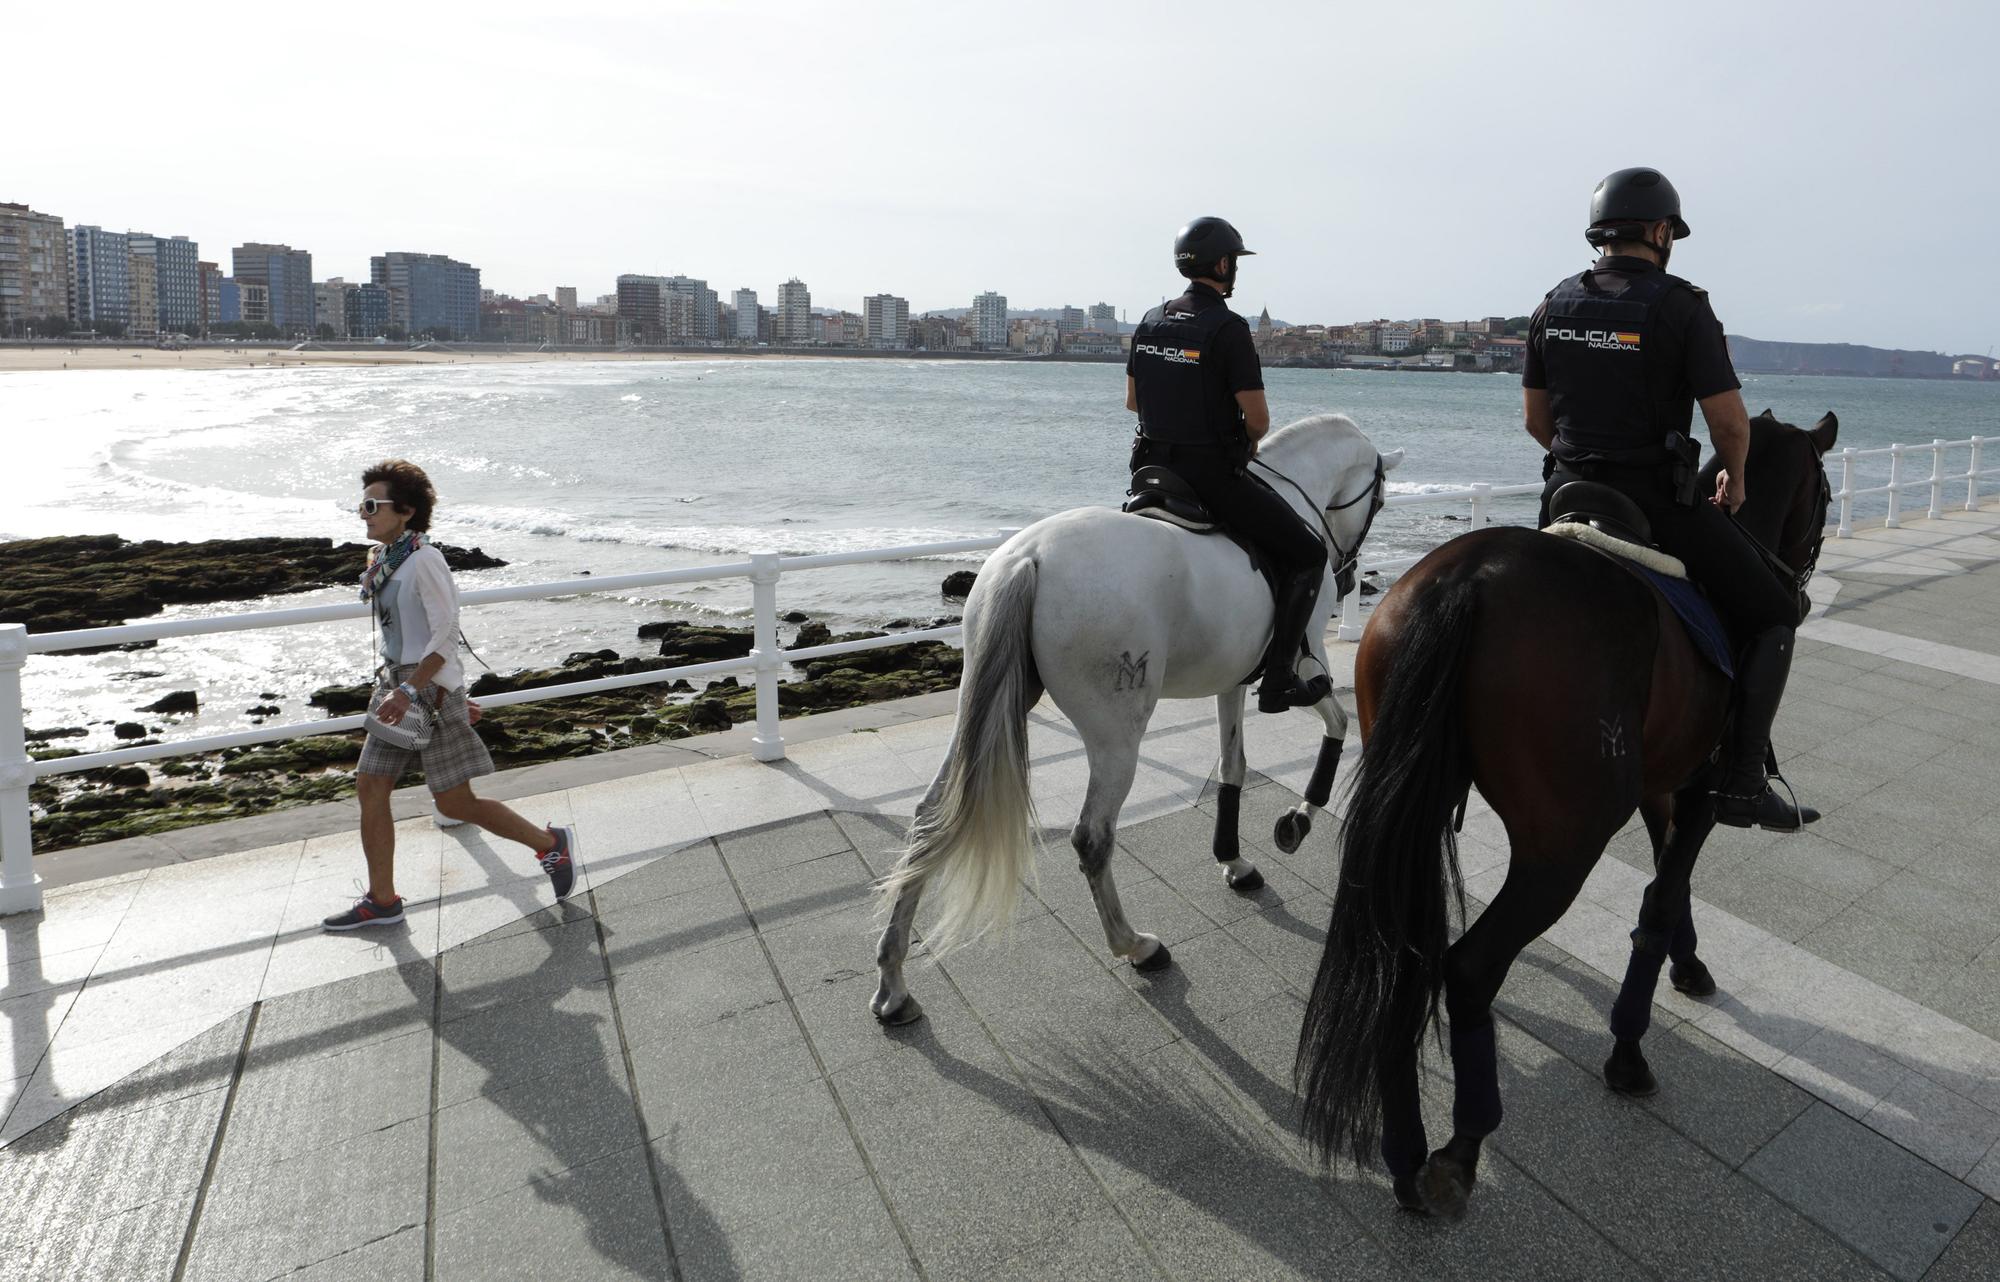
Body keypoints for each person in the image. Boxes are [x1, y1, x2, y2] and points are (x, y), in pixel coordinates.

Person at [1523, 168, 1805, 830]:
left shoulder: (1551, 306)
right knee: (1775, 610)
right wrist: (1732, 476)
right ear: (1659, 232)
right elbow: (1730, 426)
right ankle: (1741, 780)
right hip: (1653, 503)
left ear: (1599, 235)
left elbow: (1537, 423)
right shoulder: (1682, 306)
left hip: (1562, 498)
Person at [324, 459, 579, 930]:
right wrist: (410, 687)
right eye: (362, 505)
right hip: (404, 686)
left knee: (453, 803)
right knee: (373, 785)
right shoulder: (383, 560)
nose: (363, 513)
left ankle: (550, 845)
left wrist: (415, 691)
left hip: (421, 693)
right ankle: (382, 900)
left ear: (405, 510)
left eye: (372, 505)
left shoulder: (425, 559)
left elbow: (444, 636)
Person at [1126, 216, 1331, 713]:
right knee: (1308, 554)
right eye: (1234, 262)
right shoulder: (1228, 328)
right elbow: (1259, 421)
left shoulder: (1150, 319)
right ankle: (1280, 678)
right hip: (1209, 478)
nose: (1234, 270)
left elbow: (1133, 403)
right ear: (1222, 264)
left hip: (1149, 472)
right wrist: (1241, 439)